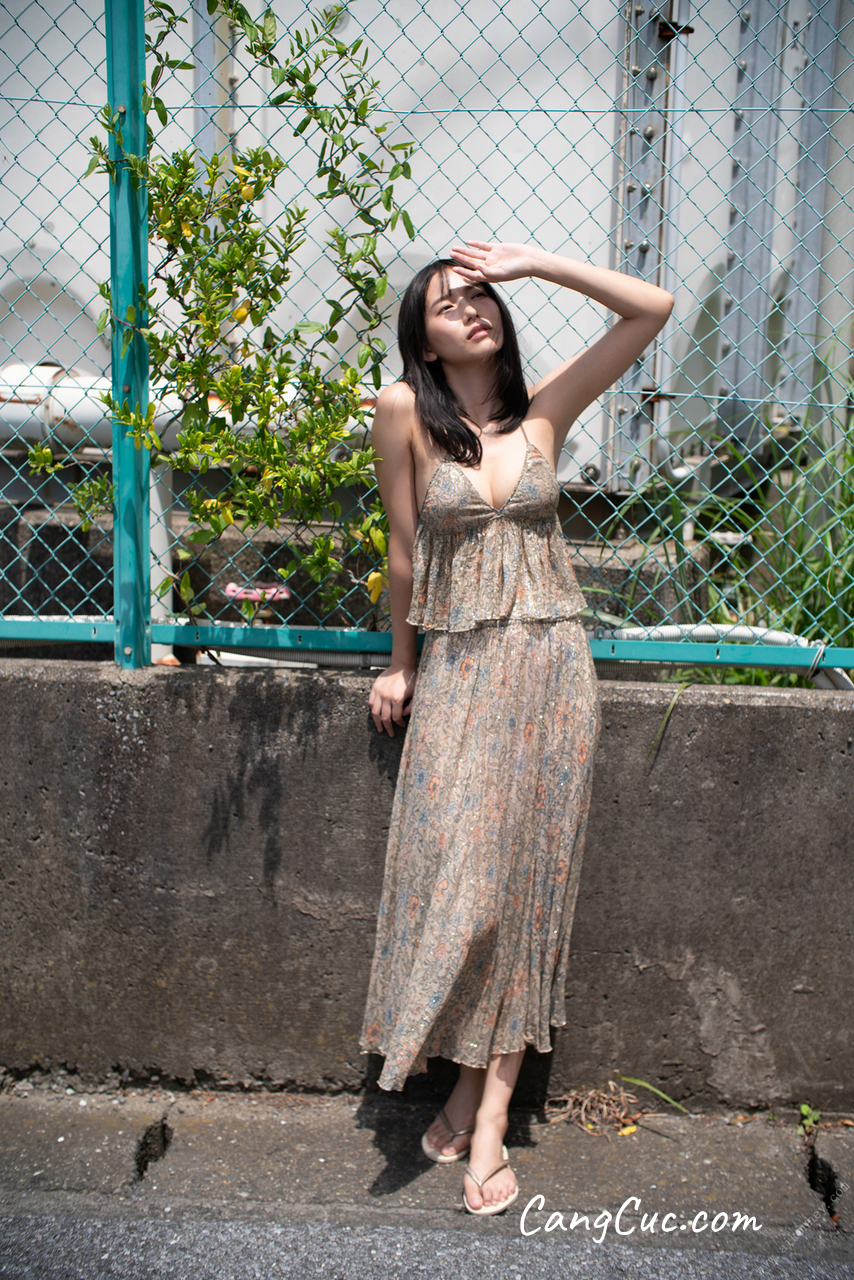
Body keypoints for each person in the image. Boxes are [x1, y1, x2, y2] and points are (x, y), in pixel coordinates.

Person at [359, 239, 673, 1214]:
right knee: (467, 887)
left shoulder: (544, 411)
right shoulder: (402, 410)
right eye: (450, 303)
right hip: (460, 670)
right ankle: (458, 1086)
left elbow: (651, 308)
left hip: (551, 670)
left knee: (527, 890)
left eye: (483, 295)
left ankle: (488, 1115)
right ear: (423, 339)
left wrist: (537, 263)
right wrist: (401, 663)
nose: (475, 308)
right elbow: (403, 549)